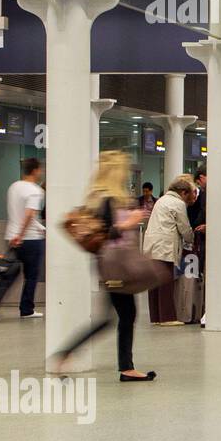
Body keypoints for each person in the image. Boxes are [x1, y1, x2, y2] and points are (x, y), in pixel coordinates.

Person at [49, 152, 156, 382]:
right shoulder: (107, 199)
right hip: (114, 265)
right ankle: (122, 367)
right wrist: (129, 221)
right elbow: (107, 233)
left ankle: (121, 366)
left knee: (118, 316)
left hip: (109, 264)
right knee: (121, 316)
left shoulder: (99, 197)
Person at [142, 178, 195, 326]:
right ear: (183, 192)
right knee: (166, 281)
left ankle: (156, 317)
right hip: (164, 245)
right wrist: (191, 238)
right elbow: (184, 228)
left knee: (154, 283)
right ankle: (167, 317)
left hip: (151, 243)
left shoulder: (162, 200)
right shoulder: (178, 203)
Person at [6, 157, 45, 319]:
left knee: (7, 275)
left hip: (11, 236)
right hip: (29, 239)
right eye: (40, 169)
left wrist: (15, 235)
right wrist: (20, 235)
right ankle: (26, 309)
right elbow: (29, 214)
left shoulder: (14, 187)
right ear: (35, 170)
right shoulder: (35, 190)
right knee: (31, 276)